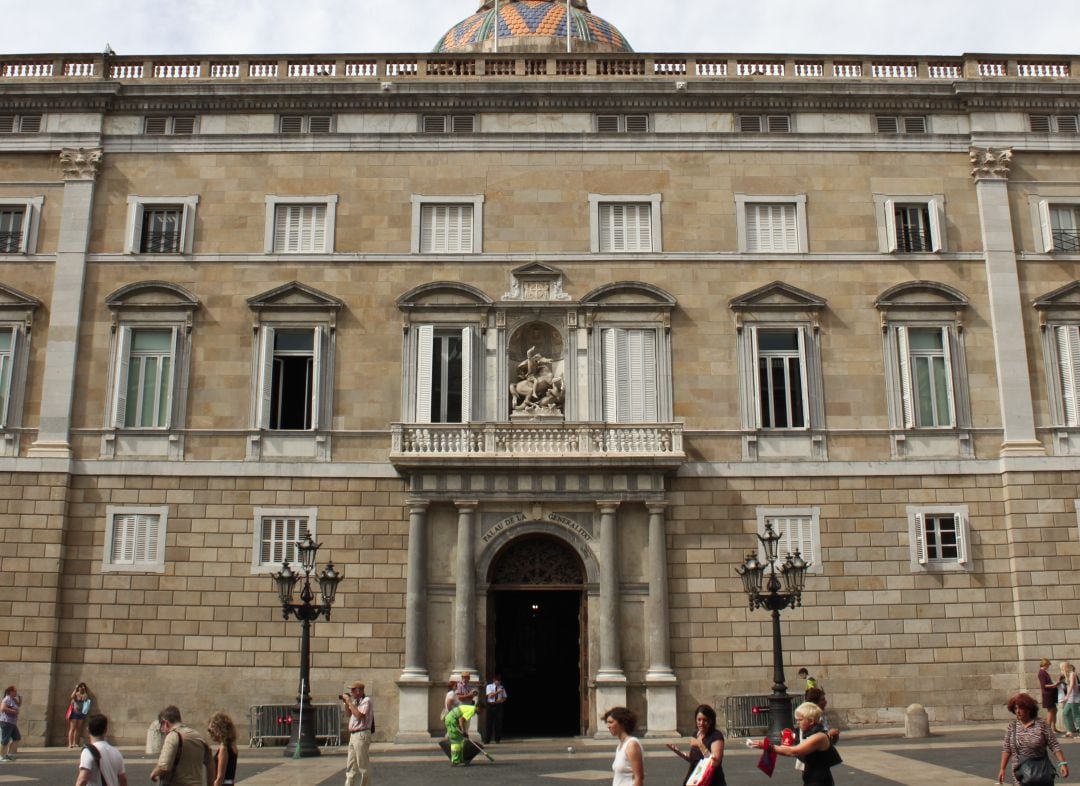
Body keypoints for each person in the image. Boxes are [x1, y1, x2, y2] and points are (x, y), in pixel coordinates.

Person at [759, 702, 841, 786]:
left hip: (820, 782)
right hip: (811, 780)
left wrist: (767, 746)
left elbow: (794, 752)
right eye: (797, 720)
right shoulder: (809, 733)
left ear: (811, 721)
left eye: (800, 720)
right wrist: (788, 741)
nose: (797, 722)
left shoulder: (819, 736)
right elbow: (800, 755)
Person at [998, 692, 1068, 785]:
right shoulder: (1013, 726)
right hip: (1020, 773)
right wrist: (1002, 769)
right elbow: (1006, 748)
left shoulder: (1041, 724)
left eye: (1021, 708)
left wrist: (1062, 764)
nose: (1018, 711)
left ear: (1029, 709)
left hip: (1041, 772)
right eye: (1015, 708)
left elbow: (1054, 745)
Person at [150, 705, 213, 786]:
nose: (163, 731)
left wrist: (154, 772)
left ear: (165, 723)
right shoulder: (198, 736)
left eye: (161, 727)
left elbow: (164, 767)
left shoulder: (172, 736)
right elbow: (210, 763)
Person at [666, 703, 725, 786]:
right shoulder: (696, 734)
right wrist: (680, 753)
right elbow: (695, 759)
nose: (701, 723)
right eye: (699, 720)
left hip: (711, 781)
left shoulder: (716, 736)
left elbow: (714, 762)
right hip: (695, 779)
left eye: (705, 720)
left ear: (710, 721)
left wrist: (699, 744)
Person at [76, 713, 127, 786]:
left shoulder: (87, 752)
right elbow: (123, 779)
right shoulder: (116, 752)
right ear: (105, 730)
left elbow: (82, 779)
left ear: (88, 730)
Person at [342, 681, 373, 786]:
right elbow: (348, 714)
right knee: (351, 765)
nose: (351, 692)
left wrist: (349, 702)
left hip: (361, 734)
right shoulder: (355, 702)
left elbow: (359, 716)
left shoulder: (366, 701)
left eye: (353, 690)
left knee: (363, 765)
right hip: (353, 735)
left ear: (359, 691)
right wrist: (346, 703)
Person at [604, 706, 643, 786]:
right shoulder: (620, 746)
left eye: (611, 722)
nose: (608, 726)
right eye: (607, 722)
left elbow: (638, 777)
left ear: (622, 723)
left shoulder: (632, 745)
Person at [207, 711, 238, 786]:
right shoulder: (232, 745)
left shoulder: (224, 748)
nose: (211, 734)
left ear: (219, 729)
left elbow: (220, 777)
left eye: (212, 730)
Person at [1038, 659, 1060, 736]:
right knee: (1050, 711)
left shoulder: (1044, 672)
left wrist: (1054, 684)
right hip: (1047, 694)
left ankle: (1053, 727)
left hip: (1050, 694)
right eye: (1048, 665)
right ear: (1045, 664)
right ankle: (1048, 729)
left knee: (1054, 710)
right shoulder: (1042, 673)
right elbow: (1044, 685)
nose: (1048, 667)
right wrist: (1054, 685)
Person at [483, 674, 507, 744]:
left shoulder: (502, 687)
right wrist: (498, 692)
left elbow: (505, 697)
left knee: (498, 723)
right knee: (489, 723)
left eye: (499, 681)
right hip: (491, 705)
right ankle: (487, 739)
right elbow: (489, 696)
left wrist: (501, 700)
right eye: (497, 681)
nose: (498, 682)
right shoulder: (489, 686)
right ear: (494, 680)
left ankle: (497, 739)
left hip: (498, 705)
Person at [0, 686, 21, 762]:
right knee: (5, 739)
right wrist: (14, 712)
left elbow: (18, 706)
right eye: (15, 691)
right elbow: (2, 708)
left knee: (17, 737)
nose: (16, 692)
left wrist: (19, 700)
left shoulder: (12, 699)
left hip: (12, 722)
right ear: (10, 691)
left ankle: (9, 754)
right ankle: (1, 756)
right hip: (6, 721)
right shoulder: (7, 698)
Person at [68, 682, 92, 748]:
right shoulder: (76, 693)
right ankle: (70, 743)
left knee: (78, 729)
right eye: (80, 686)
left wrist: (84, 691)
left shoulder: (84, 694)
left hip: (81, 713)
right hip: (74, 713)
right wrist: (76, 688)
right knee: (72, 728)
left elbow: (85, 698)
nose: (81, 688)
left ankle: (75, 743)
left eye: (83, 686)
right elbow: (72, 696)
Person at [1063, 662, 1080, 738]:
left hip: (1074, 698)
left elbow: (1072, 685)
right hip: (1071, 698)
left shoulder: (1072, 674)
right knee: (1065, 713)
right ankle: (1069, 731)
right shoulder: (1069, 674)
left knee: (1076, 715)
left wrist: (1067, 695)